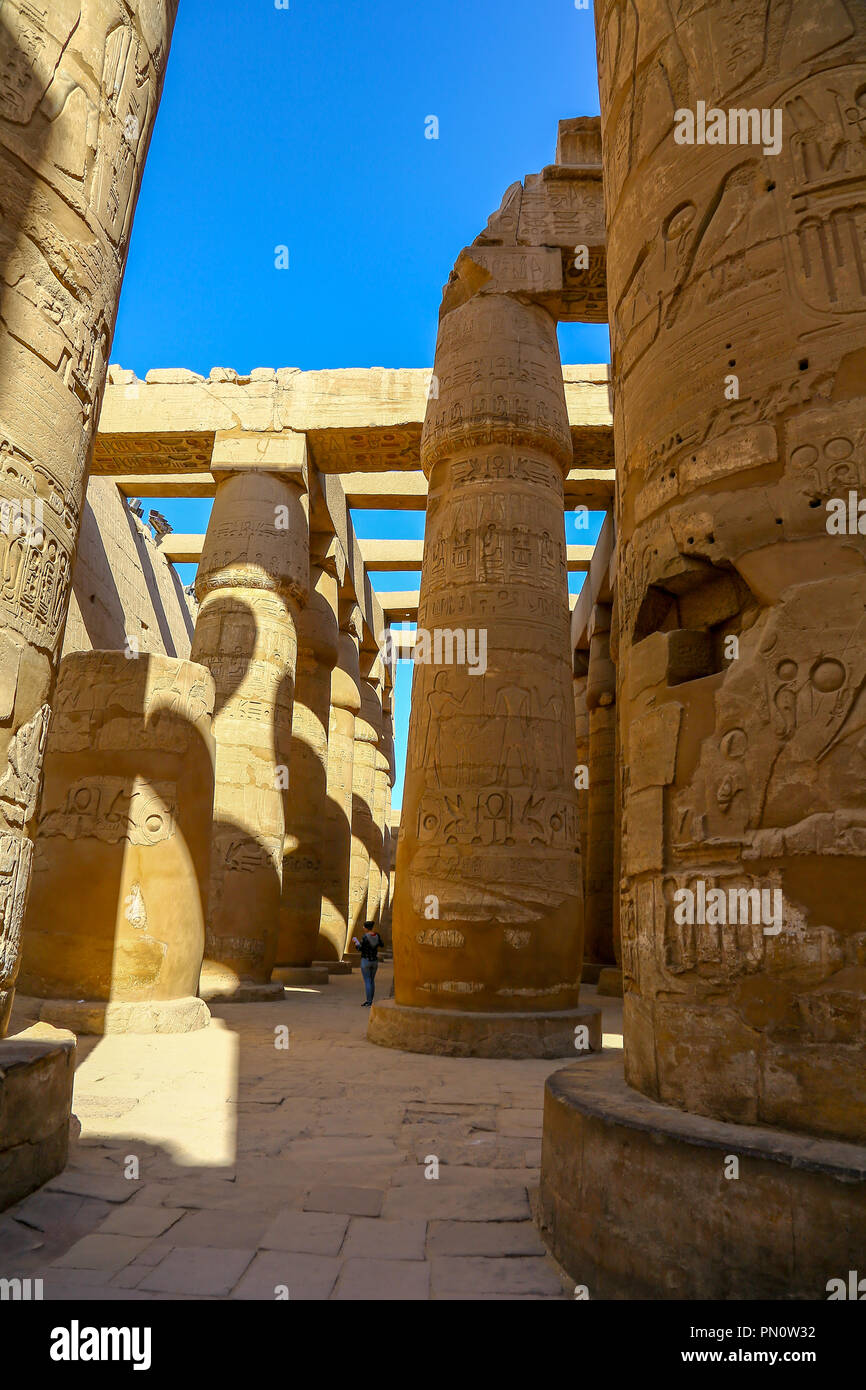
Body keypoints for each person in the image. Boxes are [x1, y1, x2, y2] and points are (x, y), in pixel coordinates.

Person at [352, 921, 383, 1006]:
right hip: (374, 961)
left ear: (366, 928)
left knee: (367, 981)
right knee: (372, 980)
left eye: (363, 927)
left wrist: (356, 942)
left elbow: (360, 948)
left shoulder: (365, 937)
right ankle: (370, 1000)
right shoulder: (377, 935)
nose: (363, 928)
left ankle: (369, 1001)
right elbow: (382, 944)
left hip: (366, 960)